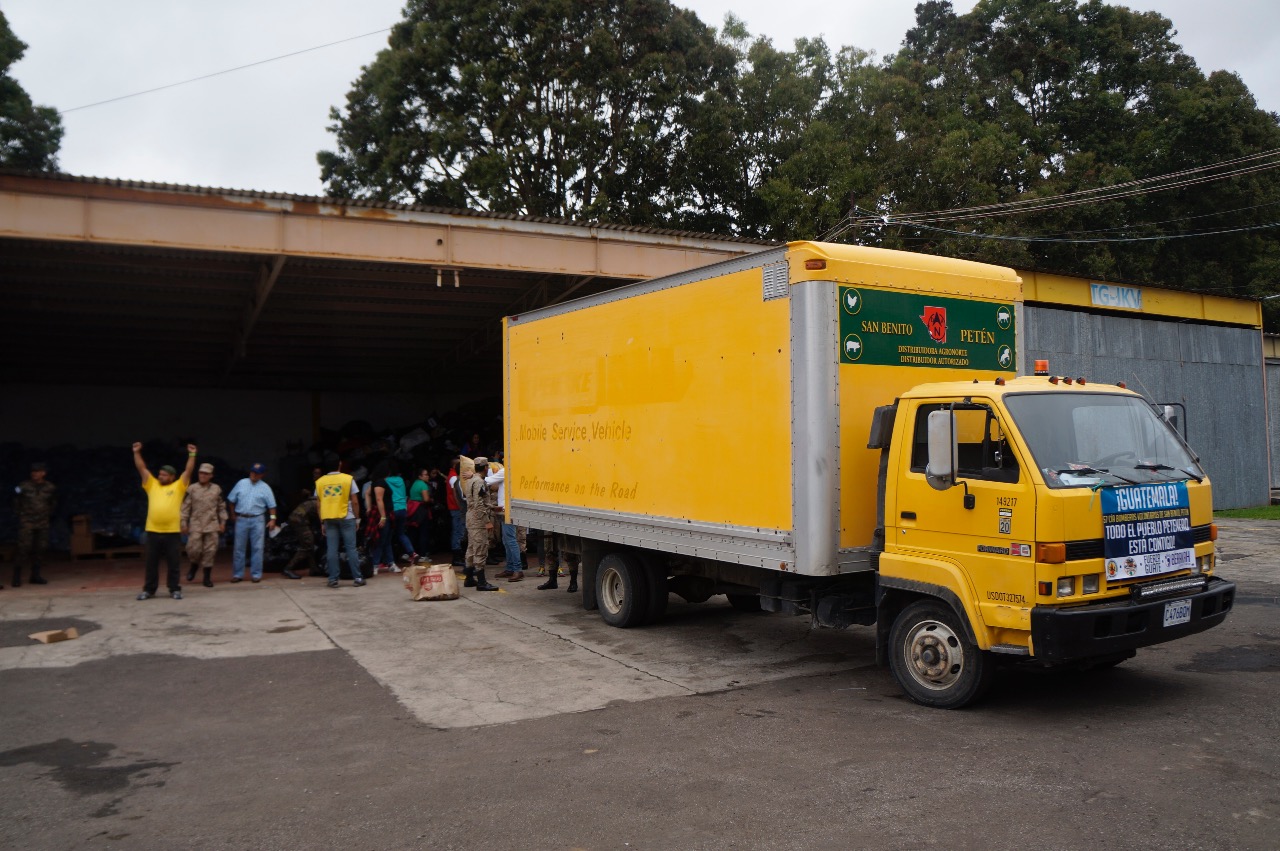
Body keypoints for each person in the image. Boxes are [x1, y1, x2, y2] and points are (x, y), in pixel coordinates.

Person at [133, 442, 197, 600]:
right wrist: (136, 453)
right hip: (153, 530)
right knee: (151, 563)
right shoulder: (151, 485)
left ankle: (174, 589)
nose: (160, 476)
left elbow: (188, 471)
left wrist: (192, 455)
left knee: (173, 563)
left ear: (172, 477)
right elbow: (142, 468)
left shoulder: (178, 487)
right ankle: (149, 590)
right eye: (160, 474)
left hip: (172, 532)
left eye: (164, 475)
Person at [226, 463, 278, 583]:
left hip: (258, 519)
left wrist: (273, 519)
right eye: (252, 472)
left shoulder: (265, 487)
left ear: (262, 475)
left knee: (257, 548)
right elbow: (231, 500)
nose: (253, 474)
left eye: (257, 473)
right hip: (242, 519)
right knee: (239, 548)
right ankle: (238, 574)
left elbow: (272, 506)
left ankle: (256, 574)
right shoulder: (241, 483)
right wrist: (233, 515)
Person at [315, 465, 364, 588]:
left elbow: (318, 504)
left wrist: (322, 522)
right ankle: (357, 578)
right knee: (351, 548)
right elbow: (355, 501)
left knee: (332, 549)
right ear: (340, 464)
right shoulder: (348, 479)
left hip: (329, 518)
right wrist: (357, 519)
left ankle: (333, 579)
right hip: (347, 517)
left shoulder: (320, 482)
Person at [180, 462, 226, 588]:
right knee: (193, 549)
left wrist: (223, 522)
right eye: (201, 473)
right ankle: (194, 565)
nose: (203, 475)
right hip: (196, 523)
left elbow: (221, 507)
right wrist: (183, 523)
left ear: (211, 475)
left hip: (211, 524)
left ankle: (206, 577)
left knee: (210, 551)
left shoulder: (217, 489)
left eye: (206, 474)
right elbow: (185, 507)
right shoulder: (192, 489)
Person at [12, 462, 56, 588]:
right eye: (33, 471)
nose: (34, 474)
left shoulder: (50, 487)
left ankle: (35, 575)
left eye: (37, 471)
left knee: (40, 548)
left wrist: (47, 515)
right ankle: (16, 576)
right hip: (27, 522)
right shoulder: (23, 486)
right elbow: (15, 501)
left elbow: (53, 503)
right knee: (23, 548)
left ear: (43, 473)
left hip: (43, 522)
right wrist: (21, 515)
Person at [373, 460, 418, 572]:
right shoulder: (401, 480)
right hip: (402, 509)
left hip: (392, 511)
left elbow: (376, 496)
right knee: (400, 533)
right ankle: (411, 552)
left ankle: (378, 563)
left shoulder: (384, 481)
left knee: (384, 538)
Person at [460, 456, 497, 591]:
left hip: (470, 518)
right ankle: (481, 582)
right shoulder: (479, 482)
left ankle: (469, 578)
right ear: (486, 468)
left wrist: (492, 507)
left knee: (471, 548)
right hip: (478, 520)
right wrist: (487, 521)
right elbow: (479, 504)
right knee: (481, 549)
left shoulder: (470, 480)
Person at [485, 460, 523, 582]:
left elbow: (487, 481)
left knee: (510, 540)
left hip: (507, 510)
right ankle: (511, 568)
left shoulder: (505, 471)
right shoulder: (513, 471)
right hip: (506, 509)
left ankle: (517, 569)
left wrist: (472, 476)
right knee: (507, 540)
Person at [281, 491, 320, 579]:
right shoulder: (318, 503)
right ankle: (288, 568)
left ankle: (314, 569)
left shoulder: (309, 502)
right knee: (308, 545)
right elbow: (321, 519)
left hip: (297, 521)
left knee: (310, 544)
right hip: (300, 523)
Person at [408, 467, 433, 558]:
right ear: (420, 476)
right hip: (421, 510)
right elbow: (426, 499)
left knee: (413, 532)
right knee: (423, 533)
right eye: (425, 474)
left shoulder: (414, 484)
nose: (427, 476)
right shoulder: (423, 485)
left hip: (413, 510)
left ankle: (410, 553)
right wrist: (431, 500)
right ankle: (423, 555)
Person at [446, 458, 464, 566]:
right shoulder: (453, 477)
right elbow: (455, 494)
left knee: (459, 531)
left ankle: (458, 555)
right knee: (458, 532)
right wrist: (461, 507)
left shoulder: (453, 476)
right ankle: (456, 557)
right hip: (456, 508)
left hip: (456, 508)